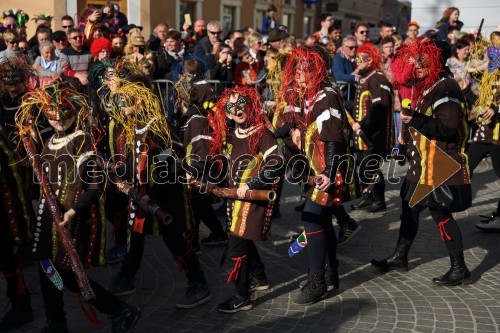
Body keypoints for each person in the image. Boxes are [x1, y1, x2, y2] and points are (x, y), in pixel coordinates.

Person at [17, 82, 141, 333]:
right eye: (54, 117)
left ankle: (119, 309)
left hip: (71, 219)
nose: (59, 121)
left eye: (64, 115)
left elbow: (94, 188)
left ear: (75, 113)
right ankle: (56, 321)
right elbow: (42, 174)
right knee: (47, 271)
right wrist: (30, 144)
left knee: (72, 276)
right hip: (47, 218)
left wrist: (73, 211)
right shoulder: (49, 140)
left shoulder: (83, 140)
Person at [372, 39, 473, 287]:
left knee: (441, 213)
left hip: (440, 164)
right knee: (409, 208)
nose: (417, 64)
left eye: (423, 60)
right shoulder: (430, 86)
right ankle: (400, 256)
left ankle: (460, 268)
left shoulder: (446, 88)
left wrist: (415, 119)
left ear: (435, 61)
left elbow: (449, 129)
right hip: (422, 164)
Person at [105, 78, 212, 309]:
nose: (120, 107)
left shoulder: (158, 126)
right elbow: (137, 162)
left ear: (140, 101)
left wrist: (153, 194)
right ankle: (126, 276)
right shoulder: (134, 124)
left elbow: (172, 166)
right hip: (142, 194)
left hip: (163, 195)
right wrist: (117, 171)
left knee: (174, 240)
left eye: (124, 102)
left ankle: (198, 283)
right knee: (135, 234)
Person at [209, 86, 284, 312]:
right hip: (235, 199)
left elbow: (277, 163)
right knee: (242, 237)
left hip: (252, 199)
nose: (236, 110)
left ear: (250, 104)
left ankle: (242, 296)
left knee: (236, 245)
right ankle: (259, 277)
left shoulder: (262, 133)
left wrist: (252, 184)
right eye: (231, 107)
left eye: (240, 103)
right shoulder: (234, 134)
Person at [350, 43, 393, 213]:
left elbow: (379, 108)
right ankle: (367, 197)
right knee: (362, 167)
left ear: (369, 61)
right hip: (362, 135)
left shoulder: (378, 79)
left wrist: (362, 124)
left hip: (374, 135)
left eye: (359, 61)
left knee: (371, 167)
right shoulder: (366, 79)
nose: (356, 64)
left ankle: (379, 200)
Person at [469, 31, 500, 231]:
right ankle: (449, 202)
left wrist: (496, 109)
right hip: (484, 132)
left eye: (490, 53)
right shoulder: (488, 72)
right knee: (466, 164)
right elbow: (472, 72)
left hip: (498, 136)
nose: (486, 55)